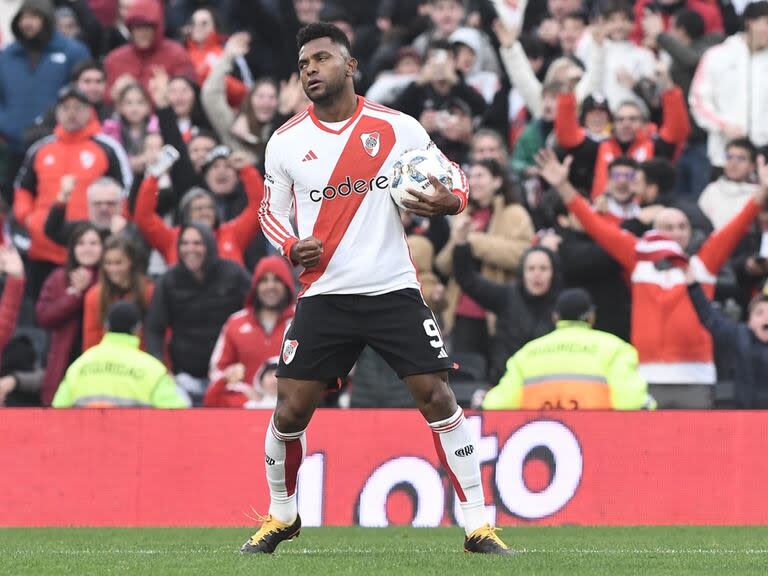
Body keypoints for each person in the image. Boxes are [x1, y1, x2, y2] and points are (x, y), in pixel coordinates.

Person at [245, 22, 509, 555]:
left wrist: (450, 201)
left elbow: (452, 175)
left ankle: (479, 524)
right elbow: (270, 211)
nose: (311, 70)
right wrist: (292, 246)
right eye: (303, 65)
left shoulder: (398, 128)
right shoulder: (287, 141)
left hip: (391, 287)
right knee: (290, 408)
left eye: (321, 59)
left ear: (351, 66)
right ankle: (283, 512)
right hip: (325, 295)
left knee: (436, 395)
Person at [536, 148, 767, 408]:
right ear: (653, 231)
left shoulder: (703, 265)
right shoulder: (639, 261)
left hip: (696, 377)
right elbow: (597, 227)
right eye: (668, 227)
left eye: (683, 227)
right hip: (647, 375)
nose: (676, 233)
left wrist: (762, 193)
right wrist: (564, 187)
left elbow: (735, 227)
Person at [13, 85, 131, 296]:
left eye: (78, 107)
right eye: (66, 107)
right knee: (43, 314)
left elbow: (125, 191)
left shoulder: (107, 147)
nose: (72, 113)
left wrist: (114, 228)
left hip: (90, 251)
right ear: (57, 112)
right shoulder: (41, 148)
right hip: (43, 249)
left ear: (89, 111)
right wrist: (28, 218)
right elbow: (23, 189)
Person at [482, 288, 652, 410]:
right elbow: (631, 402)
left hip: (542, 441)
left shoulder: (526, 353)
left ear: (555, 317)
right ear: (591, 317)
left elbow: (498, 404)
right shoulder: (616, 349)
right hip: (599, 441)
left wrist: (482, 399)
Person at [435, 159, 534, 359]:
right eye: (470, 177)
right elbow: (443, 266)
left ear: (497, 181)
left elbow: (522, 256)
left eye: (480, 176)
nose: (474, 182)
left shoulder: (515, 214)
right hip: (462, 313)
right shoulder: (462, 215)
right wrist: (458, 240)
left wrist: (474, 241)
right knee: (466, 381)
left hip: (500, 314)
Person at [145, 223, 250, 405]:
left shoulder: (233, 274)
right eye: (184, 243)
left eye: (197, 243)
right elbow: (154, 328)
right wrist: (161, 368)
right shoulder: (168, 281)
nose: (190, 249)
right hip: (184, 377)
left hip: (228, 377)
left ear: (209, 244)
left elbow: (253, 312)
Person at [0, 0, 90, 185]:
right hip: (14, 146)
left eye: (34, 16)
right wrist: (6, 124)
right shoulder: (6, 56)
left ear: (47, 19)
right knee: (14, 204)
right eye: (23, 17)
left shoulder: (73, 52)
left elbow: (84, 95)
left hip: (60, 145)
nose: (27, 23)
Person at [132, 146, 263, 267]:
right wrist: (153, 177)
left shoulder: (231, 233)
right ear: (186, 214)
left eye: (209, 207)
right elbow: (144, 218)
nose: (204, 212)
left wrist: (247, 170)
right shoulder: (172, 239)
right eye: (198, 208)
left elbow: (259, 208)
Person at [52, 301, 187, 408]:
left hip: (86, 441)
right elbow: (177, 415)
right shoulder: (154, 370)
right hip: (137, 441)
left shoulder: (78, 366)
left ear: (106, 327)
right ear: (138, 329)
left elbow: (58, 409)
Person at [205, 256, 295, 408]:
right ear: (256, 286)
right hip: (247, 410)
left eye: (277, 280)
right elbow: (217, 372)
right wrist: (245, 391)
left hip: (294, 410)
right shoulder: (235, 323)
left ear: (287, 285)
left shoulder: (300, 321)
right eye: (264, 280)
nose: (270, 286)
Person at [689, 1, 768, 169]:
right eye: (766, 23)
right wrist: (722, 125)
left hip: (764, 156)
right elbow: (698, 100)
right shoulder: (717, 56)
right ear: (750, 23)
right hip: (725, 154)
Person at [35, 223, 102, 405]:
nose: (87, 248)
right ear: (72, 248)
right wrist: (74, 295)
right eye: (81, 243)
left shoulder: (109, 278)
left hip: (98, 366)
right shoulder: (58, 277)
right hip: (63, 365)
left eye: (93, 243)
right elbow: (44, 317)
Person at [687, 269, 768, 408]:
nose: (766, 317)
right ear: (749, 321)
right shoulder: (740, 335)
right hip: (746, 418)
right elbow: (711, 318)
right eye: (759, 313)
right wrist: (693, 286)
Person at [102, 0, 194, 99]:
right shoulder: (115, 60)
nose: (142, 33)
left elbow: (191, 93)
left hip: (166, 112)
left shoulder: (177, 55)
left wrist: (169, 91)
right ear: (130, 29)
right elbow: (105, 100)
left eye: (147, 27)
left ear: (157, 28)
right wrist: (116, 93)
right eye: (137, 27)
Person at [82, 235, 153, 350]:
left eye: (118, 263)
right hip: (107, 362)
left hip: (141, 362)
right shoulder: (94, 296)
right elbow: (91, 342)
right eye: (108, 263)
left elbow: (156, 334)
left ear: (131, 261)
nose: (113, 269)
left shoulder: (149, 292)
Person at [698, 138, 761, 230]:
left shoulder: (758, 196)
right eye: (729, 157)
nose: (733, 163)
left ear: (752, 166)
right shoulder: (712, 190)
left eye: (741, 158)